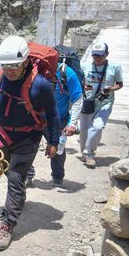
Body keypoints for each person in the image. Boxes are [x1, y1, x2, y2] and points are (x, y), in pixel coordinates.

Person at [0, 36, 60, 251]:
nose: (10, 70)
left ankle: (7, 223)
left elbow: (52, 114)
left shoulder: (40, 85)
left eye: (15, 66)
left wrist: (54, 141)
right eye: (6, 66)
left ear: (25, 62)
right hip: (0, 136)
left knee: (15, 177)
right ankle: (18, 194)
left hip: (27, 139)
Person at [26, 56, 84, 186]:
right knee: (26, 147)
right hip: (34, 117)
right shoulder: (32, 70)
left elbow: (77, 99)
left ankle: (57, 176)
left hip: (57, 119)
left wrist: (72, 124)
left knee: (57, 149)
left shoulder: (67, 74)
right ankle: (27, 173)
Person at [80, 42, 123, 168]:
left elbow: (120, 84)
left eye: (100, 56)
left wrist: (111, 88)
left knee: (97, 127)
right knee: (84, 131)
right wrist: (84, 86)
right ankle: (84, 152)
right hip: (88, 102)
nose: (97, 59)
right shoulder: (85, 66)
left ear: (107, 55)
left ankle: (89, 153)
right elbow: (78, 81)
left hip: (105, 102)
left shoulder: (115, 67)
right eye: (95, 56)